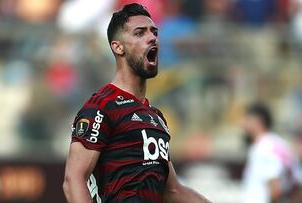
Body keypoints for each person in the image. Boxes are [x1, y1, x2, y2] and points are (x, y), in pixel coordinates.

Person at [63, 3, 211, 203]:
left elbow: (173, 190)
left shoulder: (155, 117)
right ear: (118, 47)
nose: (152, 38)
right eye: (139, 33)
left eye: (154, 32)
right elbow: (73, 180)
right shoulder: (102, 106)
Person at [242, 103, 302, 203]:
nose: (242, 124)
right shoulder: (281, 144)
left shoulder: (263, 148)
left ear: (257, 121)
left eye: (246, 119)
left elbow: (275, 189)